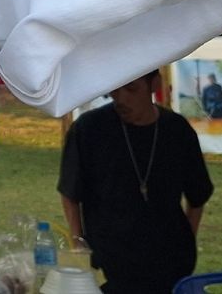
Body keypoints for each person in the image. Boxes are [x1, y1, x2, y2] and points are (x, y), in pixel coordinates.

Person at [59, 69, 213, 294]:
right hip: (108, 264)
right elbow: (70, 192)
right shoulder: (89, 129)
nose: (121, 98)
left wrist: (185, 242)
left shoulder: (177, 130)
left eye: (131, 89)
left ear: (154, 84)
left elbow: (198, 195)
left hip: (169, 265)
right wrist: (78, 244)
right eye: (115, 89)